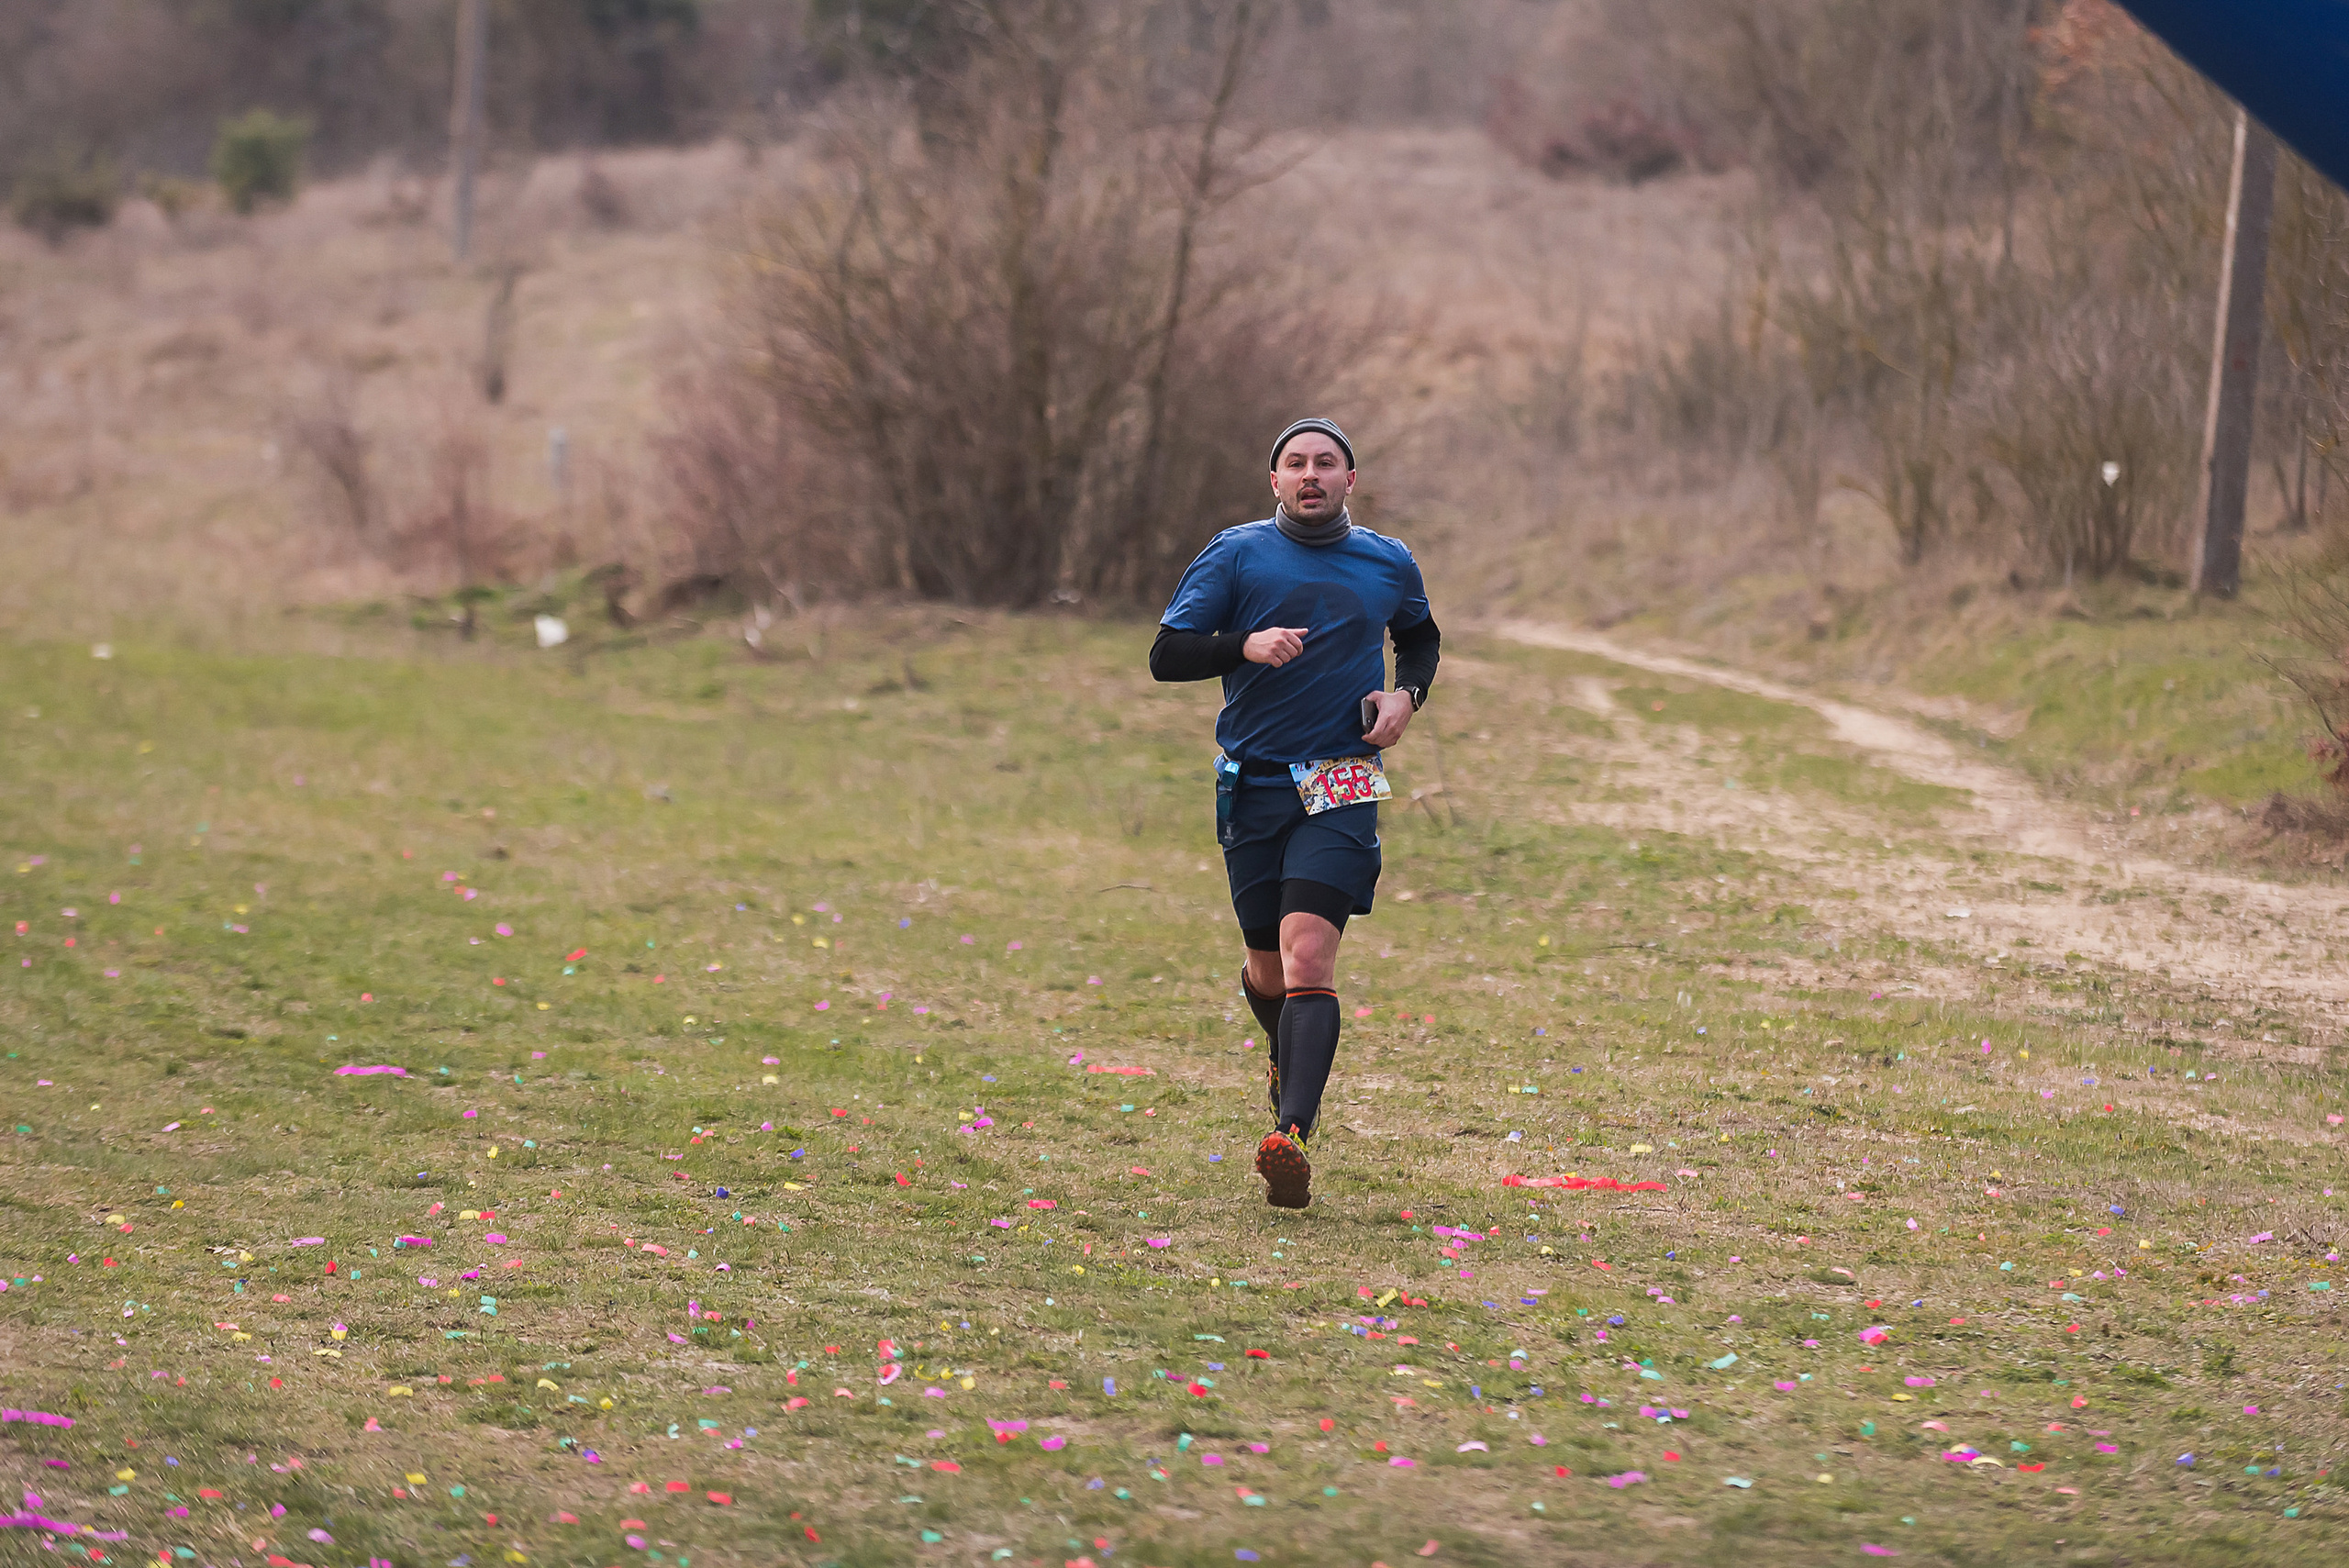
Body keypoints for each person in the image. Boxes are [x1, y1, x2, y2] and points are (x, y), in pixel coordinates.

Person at [1148, 418, 1441, 1208]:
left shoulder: (1388, 560)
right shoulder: (1236, 553)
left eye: (1326, 463)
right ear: (1273, 480)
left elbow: (1419, 637)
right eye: (1295, 464)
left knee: (1309, 959)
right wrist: (1241, 645)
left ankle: (1292, 1135)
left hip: (1341, 778)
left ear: (1351, 478)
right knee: (1267, 970)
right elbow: (1167, 654)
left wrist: (1404, 696)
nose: (1310, 474)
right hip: (1254, 783)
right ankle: (1284, 1060)